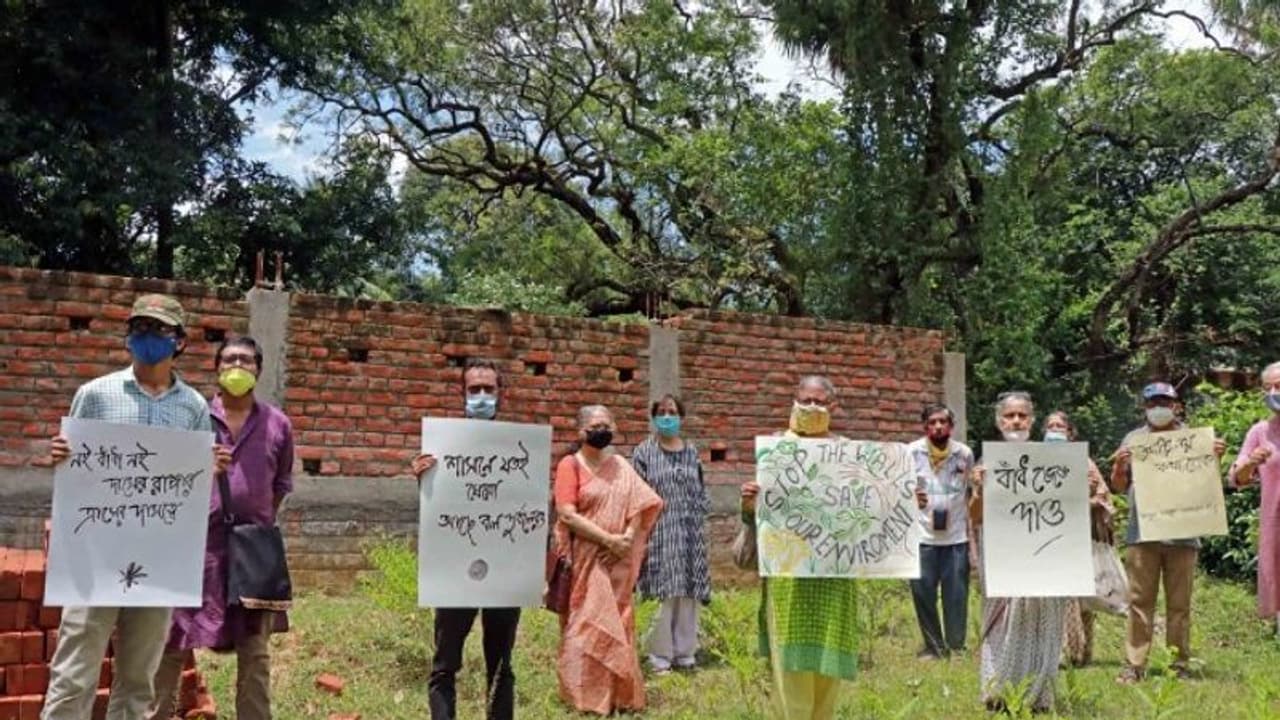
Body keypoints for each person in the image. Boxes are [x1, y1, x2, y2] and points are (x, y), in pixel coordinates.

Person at [44, 294, 231, 720]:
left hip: (159, 561)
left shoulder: (194, 408)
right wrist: (62, 456)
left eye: (159, 330)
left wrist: (211, 469)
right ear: (128, 336)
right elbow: (77, 469)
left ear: (179, 342)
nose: (147, 337)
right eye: (140, 328)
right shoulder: (95, 395)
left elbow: (192, 484)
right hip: (95, 557)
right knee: (73, 674)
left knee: (137, 683)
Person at [147, 336, 294, 720]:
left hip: (253, 554)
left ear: (258, 370)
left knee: (255, 650)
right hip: (195, 549)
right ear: (216, 368)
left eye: (246, 360)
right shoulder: (193, 417)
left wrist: (254, 522)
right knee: (172, 640)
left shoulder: (278, 424)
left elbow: (280, 486)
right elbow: (166, 475)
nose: (237, 366)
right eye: (229, 359)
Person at [733, 376, 880, 720]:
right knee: (791, 663)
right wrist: (749, 504)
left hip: (834, 575)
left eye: (819, 402)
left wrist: (906, 499)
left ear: (834, 407)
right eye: (806, 400)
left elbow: (868, 506)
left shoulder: (847, 451)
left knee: (827, 661)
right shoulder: (775, 450)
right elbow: (763, 515)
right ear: (793, 401)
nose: (812, 407)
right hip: (788, 578)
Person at [410, 358, 521, 720]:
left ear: (501, 394)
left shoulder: (519, 448)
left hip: (503, 570)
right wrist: (423, 478)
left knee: (502, 664)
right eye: (475, 390)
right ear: (463, 395)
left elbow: (527, 507)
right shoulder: (444, 444)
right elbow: (439, 504)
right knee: (445, 663)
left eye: (489, 389)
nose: (482, 397)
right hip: (454, 569)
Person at [1111, 382, 1226, 683]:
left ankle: (1179, 665)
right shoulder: (1134, 439)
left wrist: (1216, 458)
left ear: (1177, 405)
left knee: (1179, 605)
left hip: (1184, 536)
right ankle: (1134, 664)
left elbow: (1207, 486)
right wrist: (1120, 466)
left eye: (1165, 401)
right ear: (1145, 407)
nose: (1158, 407)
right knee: (1139, 602)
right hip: (1142, 534)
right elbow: (1120, 486)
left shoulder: (1195, 440)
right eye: (1153, 402)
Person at [553, 404, 664, 715]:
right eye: (595, 425)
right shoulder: (569, 465)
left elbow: (641, 502)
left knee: (619, 621)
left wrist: (627, 537)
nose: (601, 429)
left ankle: (619, 696)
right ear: (580, 431)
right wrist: (608, 540)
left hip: (619, 563)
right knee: (583, 625)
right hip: (586, 561)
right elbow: (567, 515)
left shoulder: (620, 465)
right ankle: (586, 699)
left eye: (607, 423)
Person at [973, 392, 1068, 713]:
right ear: (999, 421)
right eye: (1009, 416)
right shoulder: (987, 463)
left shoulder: (1052, 461)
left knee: (1042, 619)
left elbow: (1067, 509)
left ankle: (1039, 695)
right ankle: (998, 693)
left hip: (1044, 557)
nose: (1016, 421)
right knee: (1002, 622)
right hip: (1004, 559)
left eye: (1022, 416)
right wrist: (978, 489)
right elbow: (974, 516)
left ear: (1031, 420)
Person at [633, 393, 711, 674]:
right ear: (654, 417)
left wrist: (699, 514)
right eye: (662, 412)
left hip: (690, 532)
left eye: (672, 412)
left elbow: (702, 488)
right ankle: (659, 657)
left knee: (688, 593)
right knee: (662, 593)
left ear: (681, 418)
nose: (667, 416)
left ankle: (685, 654)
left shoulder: (691, 451)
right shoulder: (644, 451)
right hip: (659, 533)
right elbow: (638, 493)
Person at [1044, 410, 1114, 667]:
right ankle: (1062, 651)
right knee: (1057, 595)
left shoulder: (1084, 463)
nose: (1054, 430)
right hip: (1045, 539)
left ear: (1070, 433)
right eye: (1050, 425)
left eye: (1059, 426)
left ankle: (1080, 652)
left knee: (1078, 596)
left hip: (1077, 537)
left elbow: (1104, 496)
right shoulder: (1035, 461)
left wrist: (1084, 502)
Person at [907, 403, 975, 659]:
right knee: (922, 592)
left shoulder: (964, 454)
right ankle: (933, 647)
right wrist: (910, 496)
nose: (938, 426)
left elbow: (971, 491)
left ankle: (956, 646)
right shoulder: (911, 453)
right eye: (932, 422)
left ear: (951, 426)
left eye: (943, 422)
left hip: (956, 537)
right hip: (921, 536)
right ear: (925, 426)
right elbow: (898, 489)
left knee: (956, 594)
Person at [1227, 362, 1280, 636]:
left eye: (1279, 386)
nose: (1273, 392)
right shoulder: (1260, 433)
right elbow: (1236, 478)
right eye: (1268, 387)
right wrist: (1250, 463)